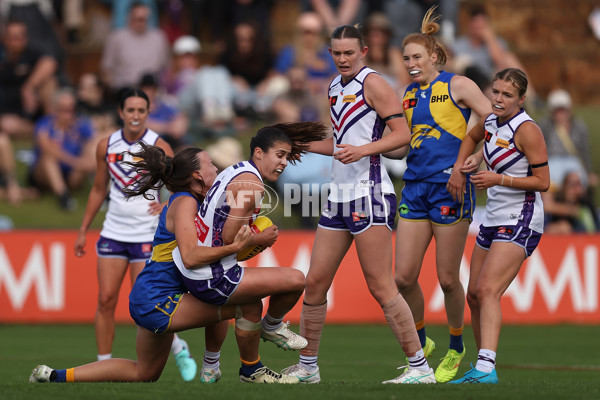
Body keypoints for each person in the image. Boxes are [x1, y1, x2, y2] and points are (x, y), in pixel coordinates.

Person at [29, 143, 299, 384]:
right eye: (211, 165)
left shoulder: (197, 203)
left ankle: (54, 376)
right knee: (245, 304)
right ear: (197, 175)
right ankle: (241, 370)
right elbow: (192, 257)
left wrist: (246, 236)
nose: (216, 169)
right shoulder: (184, 203)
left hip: (151, 296)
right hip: (158, 298)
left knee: (144, 373)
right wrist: (239, 245)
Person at [282, 24, 436, 385]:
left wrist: (363, 150)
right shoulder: (335, 86)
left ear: (364, 51)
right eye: (336, 53)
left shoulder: (375, 84)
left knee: (381, 284)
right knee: (316, 282)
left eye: (349, 52)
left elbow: (403, 137)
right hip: (338, 194)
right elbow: (339, 142)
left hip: (369, 192)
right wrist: (294, 142)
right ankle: (308, 367)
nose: (342, 59)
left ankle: (420, 367)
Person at [171, 121, 330, 381]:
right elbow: (229, 237)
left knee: (251, 306)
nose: (284, 163)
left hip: (196, 268)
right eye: (279, 155)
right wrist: (261, 238)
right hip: (212, 274)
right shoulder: (253, 186)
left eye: (287, 157)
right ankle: (273, 326)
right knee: (296, 280)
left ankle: (246, 370)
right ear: (259, 153)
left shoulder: (236, 171)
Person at [389, 6, 492, 383]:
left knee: (448, 279)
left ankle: (455, 347)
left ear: (433, 56)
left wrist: (474, 159)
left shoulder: (458, 85)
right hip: (414, 188)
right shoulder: (408, 94)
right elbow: (404, 146)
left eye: (417, 57)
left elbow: (494, 122)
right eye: (406, 59)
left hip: (451, 188)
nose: (411, 64)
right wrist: (376, 145)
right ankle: (421, 342)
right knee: (402, 278)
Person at [72, 88, 197, 381]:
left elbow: (181, 183)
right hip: (113, 231)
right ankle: (104, 364)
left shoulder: (159, 144)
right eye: (131, 110)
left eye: (141, 110)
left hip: (146, 235)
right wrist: (82, 229)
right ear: (121, 113)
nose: (136, 116)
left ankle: (180, 350)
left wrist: (166, 203)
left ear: (147, 113)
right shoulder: (106, 145)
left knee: (148, 302)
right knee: (105, 300)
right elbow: (98, 189)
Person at [447, 68, 550, 383]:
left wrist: (498, 178)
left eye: (507, 95)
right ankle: (481, 366)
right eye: (496, 92)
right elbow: (471, 137)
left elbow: (543, 182)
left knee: (488, 289)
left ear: (521, 100)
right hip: (493, 215)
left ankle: (486, 368)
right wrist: (464, 166)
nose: (499, 99)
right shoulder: (490, 121)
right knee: (474, 296)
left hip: (521, 216)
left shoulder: (527, 129)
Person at [28, 87, 96, 211]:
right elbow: (46, 147)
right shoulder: (45, 124)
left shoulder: (82, 124)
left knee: (92, 149)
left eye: (71, 109)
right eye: (63, 110)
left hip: (72, 175)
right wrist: (76, 162)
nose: (68, 114)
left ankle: (104, 192)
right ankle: (63, 195)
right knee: (48, 156)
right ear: (55, 109)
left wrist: (88, 160)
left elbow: (94, 142)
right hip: (44, 176)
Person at [100, 2, 169, 94]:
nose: (140, 22)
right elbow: (106, 68)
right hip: (125, 90)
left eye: (143, 19)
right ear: (129, 17)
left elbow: (167, 68)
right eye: (137, 19)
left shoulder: (159, 37)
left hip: (152, 90)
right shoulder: (116, 38)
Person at [538, 89, 598, 192]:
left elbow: (584, 151)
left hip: (573, 161)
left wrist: (588, 172)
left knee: (578, 181)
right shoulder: (545, 126)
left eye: (563, 109)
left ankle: (578, 206)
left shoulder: (579, 127)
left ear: (569, 109)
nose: (560, 113)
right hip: (552, 161)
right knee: (551, 182)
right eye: (557, 109)